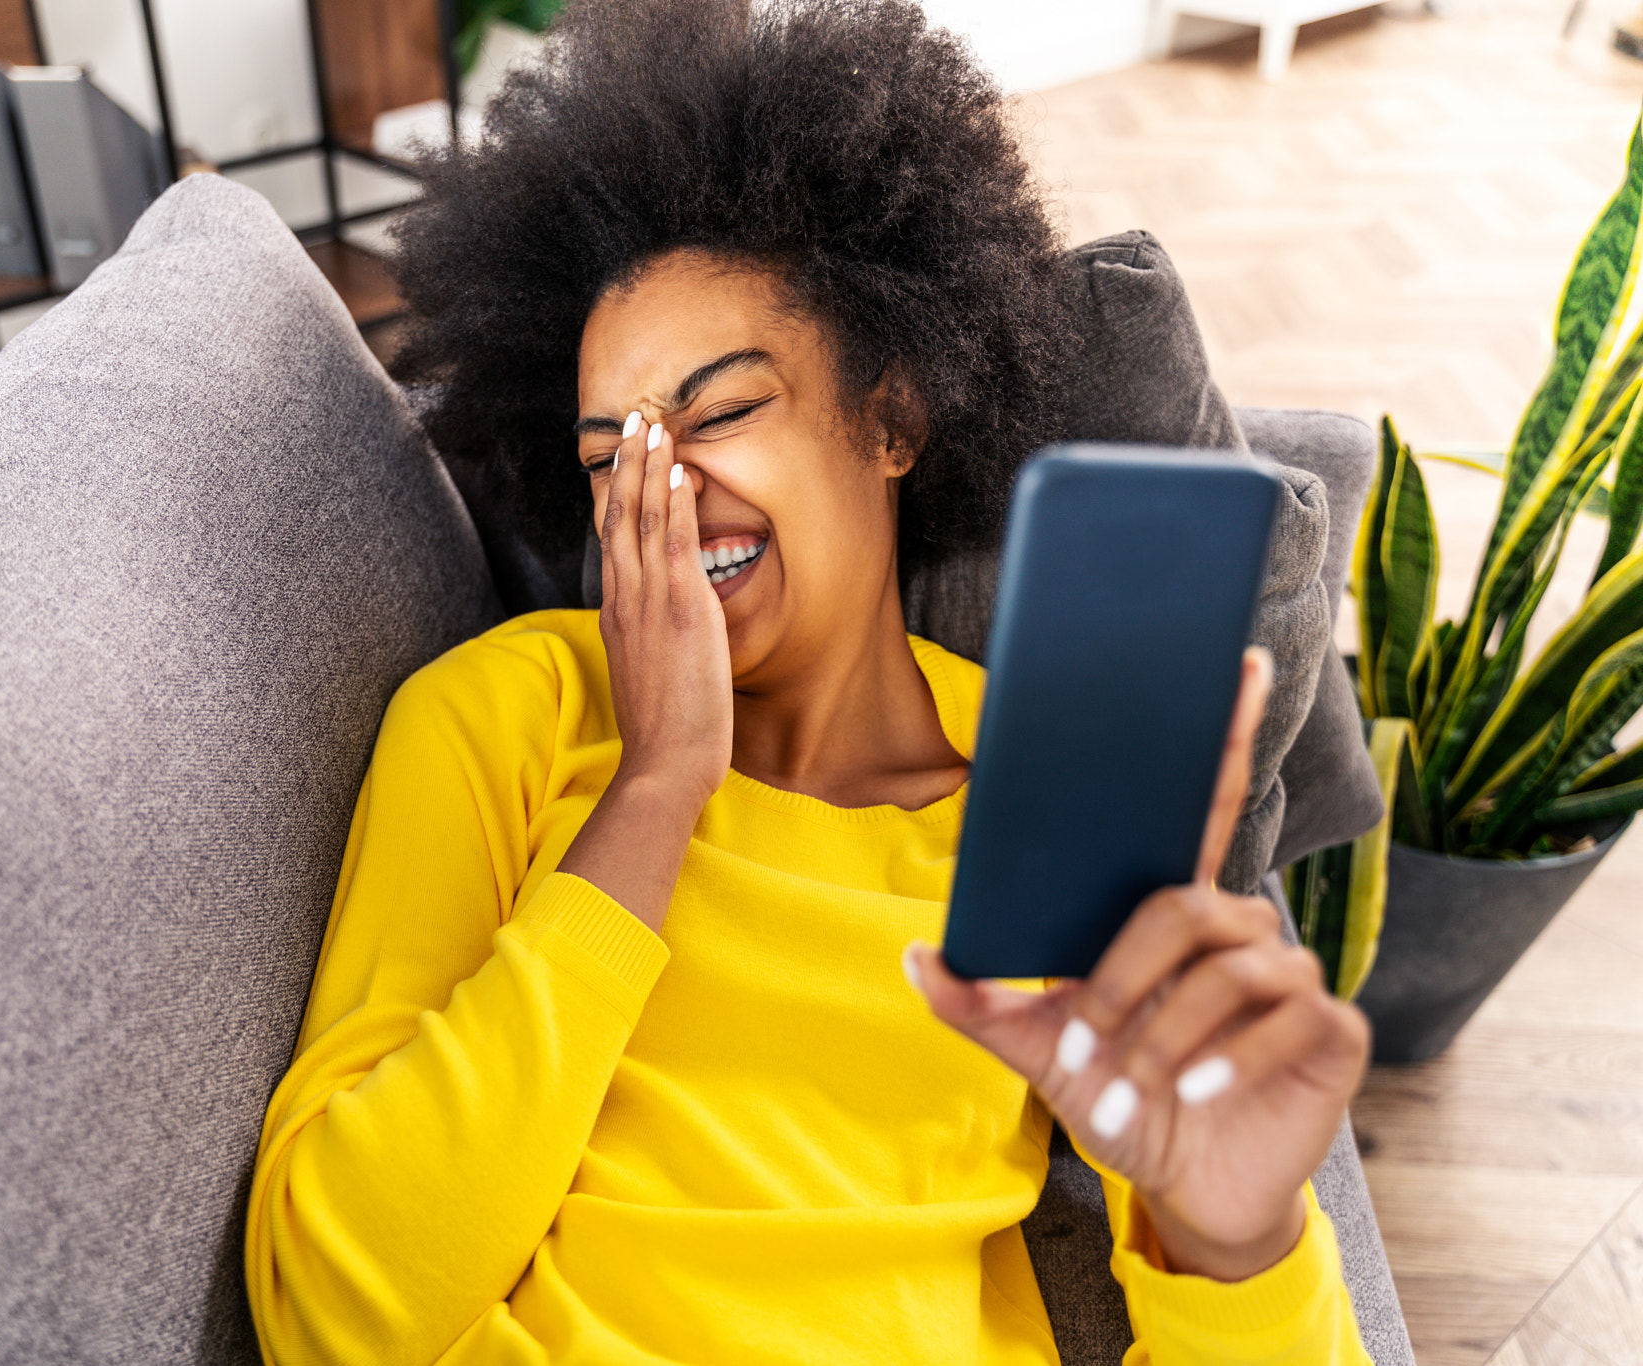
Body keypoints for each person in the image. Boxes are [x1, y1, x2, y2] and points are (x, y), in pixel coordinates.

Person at [243, 0, 1373, 1360]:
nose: (664, 488)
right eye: (612, 458)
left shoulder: (1042, 792)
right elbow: (335, 1306)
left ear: (890, 418)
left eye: (719, 412)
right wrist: (659, 784)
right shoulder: (504, 715)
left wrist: (1235, 1238)